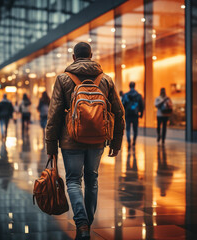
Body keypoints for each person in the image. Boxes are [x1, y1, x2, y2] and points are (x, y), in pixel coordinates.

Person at [46, 42, 125, 239]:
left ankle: (81, 223)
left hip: (70, 139)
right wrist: (115, 143)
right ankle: (87, 221)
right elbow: (119, 112)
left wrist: (50, 145)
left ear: (74, 58)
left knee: (73, 180)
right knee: (92, 179)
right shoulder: (105, 80)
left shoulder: (63, 79)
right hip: (98, 138)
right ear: (91, 56)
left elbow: (54, 114)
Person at [122, 82, 144, 147]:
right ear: (134, 86)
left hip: (128, 114)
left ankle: (129, 141)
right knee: (135, 129)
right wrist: (141, 113)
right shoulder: (138, 95)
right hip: (135, 114)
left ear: (129, 86)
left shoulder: (126, 95)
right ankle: (134, 141)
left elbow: (122, 105)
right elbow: (141, 105)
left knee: (128, 129)